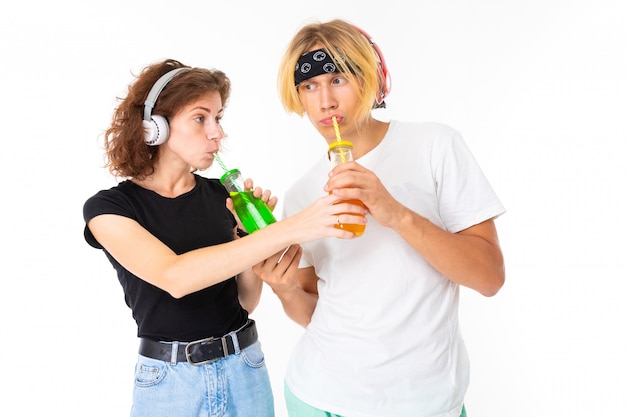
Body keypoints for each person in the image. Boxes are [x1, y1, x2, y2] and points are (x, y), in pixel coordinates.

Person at [82, 58, 363, 417]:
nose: (216, 132)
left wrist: (248, 233)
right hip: (169, 384)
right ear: (156, 128)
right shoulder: (109, 208)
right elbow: (176, 277)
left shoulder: (222, 198)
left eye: (218, 119)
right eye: (201, 118)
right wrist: (291, 227)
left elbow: (244, 302)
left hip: (244, 368)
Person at [253, 19, 506, 417]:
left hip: (428, 403)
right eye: (309, 86)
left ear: (372, 79)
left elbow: (489, 277)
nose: (325, 102)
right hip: (320, 398)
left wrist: (395, 213)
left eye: (338, 79)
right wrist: (284, 291)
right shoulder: (301, 194)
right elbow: (313, 309)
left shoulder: (435, 146)